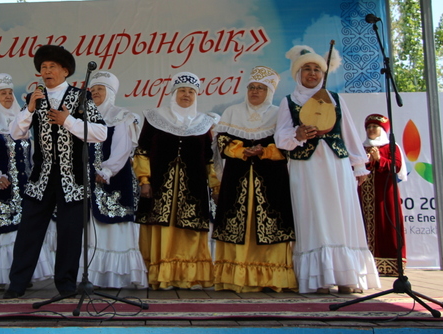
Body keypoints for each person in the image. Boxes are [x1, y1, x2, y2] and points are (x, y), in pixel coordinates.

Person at [3, 45, 107, 299]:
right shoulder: (34, 97)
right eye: (43, 67)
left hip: (73, 177)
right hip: (41, 176)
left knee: (70, 233)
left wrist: (67, 121)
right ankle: (17, 284)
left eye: (52, 67)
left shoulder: (81, 97)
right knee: (29, 230)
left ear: (65, 71)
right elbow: (15, 133)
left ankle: (66, 285)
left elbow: (101, 132)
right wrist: (29, 109)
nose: (47, 71)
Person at [274, 45, 380, 294]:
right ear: (297, 73)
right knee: (313, 216)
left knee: (341, 215)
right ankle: (319, 278)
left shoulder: (335, 99)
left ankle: (346, 277)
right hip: (306, 168)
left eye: (317, 69)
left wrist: (358, 166)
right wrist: (297, 134)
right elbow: (280, 138)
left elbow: (349, 133)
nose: (312, 73)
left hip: (336, 166)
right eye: (307, 69)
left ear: (323, 74)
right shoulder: (288, 102)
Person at [212, 66, 297, 292]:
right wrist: (241, 150)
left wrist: (265, 151)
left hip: (272, 179)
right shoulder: (232, 112)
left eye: (261, 88)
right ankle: (236, 279)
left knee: (270, 225)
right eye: (252, 87)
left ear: (270, 92)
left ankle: (271, 278)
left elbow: (287, 147)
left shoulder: (279, 113)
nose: (255, 91)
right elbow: (221, 141)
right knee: (236, 225)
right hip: (236, 178)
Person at [134, 72, 219, 290]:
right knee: (160, 229)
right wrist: (144, 180)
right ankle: (161, 276)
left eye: (191, 92)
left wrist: (215, 186)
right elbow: (142, 151)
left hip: (193, 190)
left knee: (189, 232)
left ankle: (187, 277)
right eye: (182, 90)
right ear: (173, 93)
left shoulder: (203, 123)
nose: (186, 95)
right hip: (159, 188)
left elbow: (209, 159)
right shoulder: (155, 117)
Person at [0, 73, 53, 288]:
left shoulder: (22, 121)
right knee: (4, 231)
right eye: (3, 93)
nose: (8, 96)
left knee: (24, 230)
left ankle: (23, 276)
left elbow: (32, 155)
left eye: (10, 92)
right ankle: (2, 277)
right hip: (0, 187)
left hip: (24, 188)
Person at [85, 70, 148, 288]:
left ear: (110, 93)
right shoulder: (83, 118)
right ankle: (93, 277)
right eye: (92, 90)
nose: (95, 93)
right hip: (89, 181)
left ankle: (117, 277)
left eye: (100, 89)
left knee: (115, 228)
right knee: (93, 228)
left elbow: (122, 149)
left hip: (115, 178)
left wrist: (107, 170)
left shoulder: (122, 116)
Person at [359, 113, 407, 276]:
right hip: (364, 195)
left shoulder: (391, 146)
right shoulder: (360, 148)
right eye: (369, 127)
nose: (371, 129)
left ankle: (390, 265)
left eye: (375, 127)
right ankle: (366, 264)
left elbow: (397, 166)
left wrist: (379, 159)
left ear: (383, 129)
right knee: (363, 224)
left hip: (385, 195)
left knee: (387, 224)